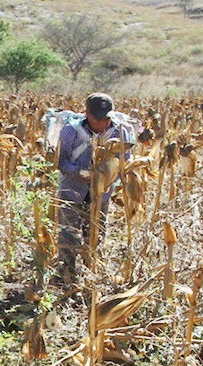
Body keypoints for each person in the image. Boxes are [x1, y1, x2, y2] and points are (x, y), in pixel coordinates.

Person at [55, 92, 131, 284]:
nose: (102, 123)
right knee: (68, 235)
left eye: (106, 118)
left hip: (101, 196)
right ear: (87, 114)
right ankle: (67, 276)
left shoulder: (120, 133)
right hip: (72, 191)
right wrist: (81, 172)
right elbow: (60, 161)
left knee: (96, 235)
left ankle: (92, 276)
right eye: (98, 119)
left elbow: (125, 162)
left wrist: (107, 176)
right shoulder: (70, 132)